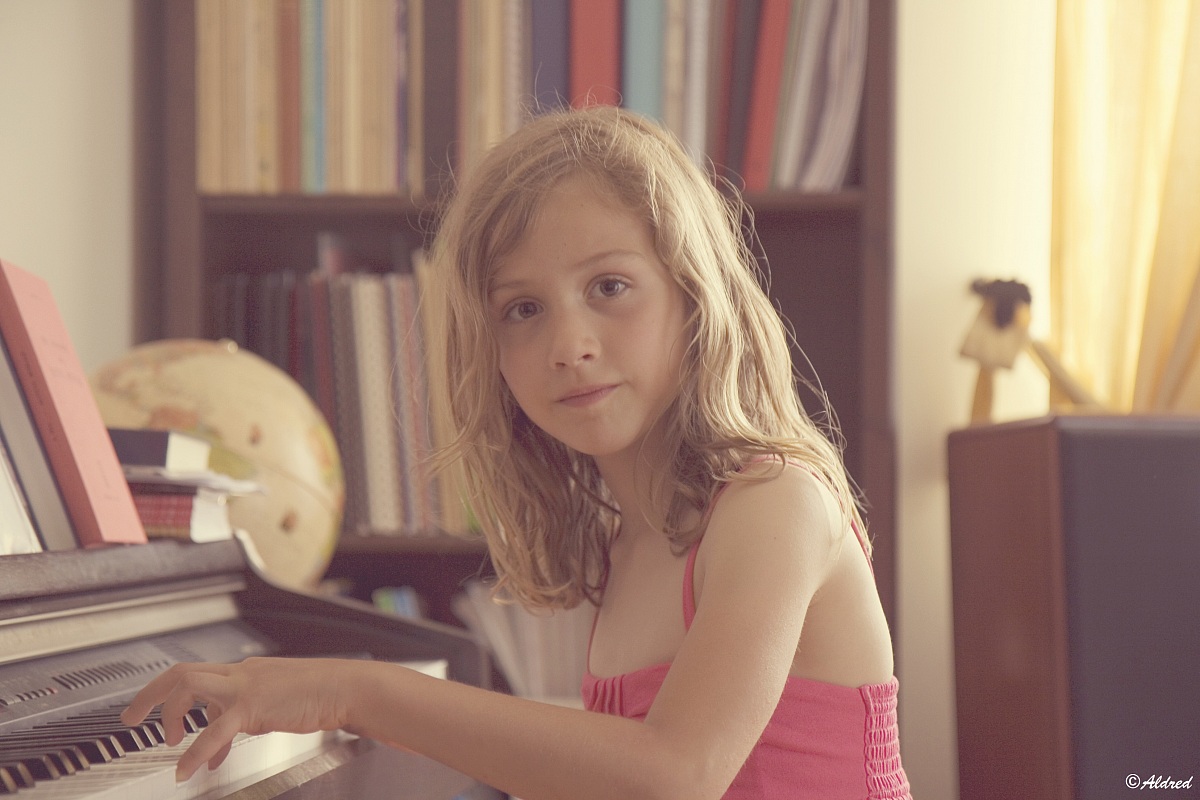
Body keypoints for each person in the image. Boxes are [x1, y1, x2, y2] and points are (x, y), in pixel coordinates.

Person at [122, 105, 911, 800]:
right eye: (523, 309)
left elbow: (673, 775)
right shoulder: (627, 541)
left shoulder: (774, 501)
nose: (569, 344)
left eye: (609, 287)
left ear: (693, 296)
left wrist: (352, 691)